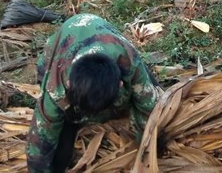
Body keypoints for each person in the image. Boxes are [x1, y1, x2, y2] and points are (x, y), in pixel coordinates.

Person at [26, 13, 162, 173]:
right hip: (63, 43)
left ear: (120, 85)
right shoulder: (56, 87)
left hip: (104, 34)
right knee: (62, 138)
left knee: (156, 99)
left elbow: (148, 111)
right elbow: (40, 142)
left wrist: (147, 152)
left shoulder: (129, 62)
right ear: (69, 84)